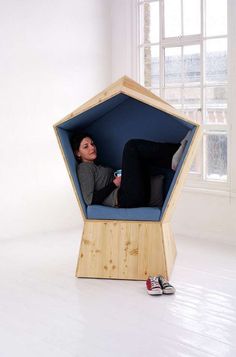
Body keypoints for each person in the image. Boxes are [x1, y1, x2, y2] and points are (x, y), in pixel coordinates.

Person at [71, 132, 190, 208]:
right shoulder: (84, 168)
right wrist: (115, 183)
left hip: (136, 196)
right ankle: (176, 149)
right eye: (86, 146)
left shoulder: (96, 167)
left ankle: (173, 159)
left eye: (92, 144)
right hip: (126, 199)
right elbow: (89, 200)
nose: (92, 147)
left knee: (142, 157)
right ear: (78, 153)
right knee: (131, 146)